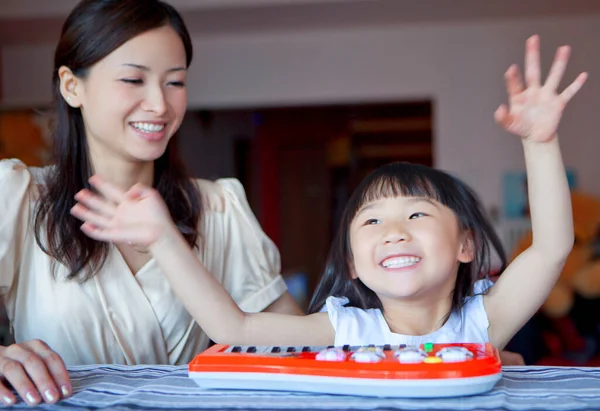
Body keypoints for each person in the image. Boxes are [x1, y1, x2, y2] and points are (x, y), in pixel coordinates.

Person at [73, 35, 584, 361]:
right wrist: (164, 240)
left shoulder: (483, 324)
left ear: (465, 245)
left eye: (416, 213)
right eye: (372, 223)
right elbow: (234, 326)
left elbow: (550, 249)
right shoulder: (345, 330)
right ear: (352, 265)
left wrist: (539, 143)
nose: (393, 231)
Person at [0, 0, 302, 406]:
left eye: (174, 82)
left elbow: (299, 348)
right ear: (72, 87)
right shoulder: (18, 199)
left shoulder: (218, 209)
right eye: (133, 80)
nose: (160, 105)